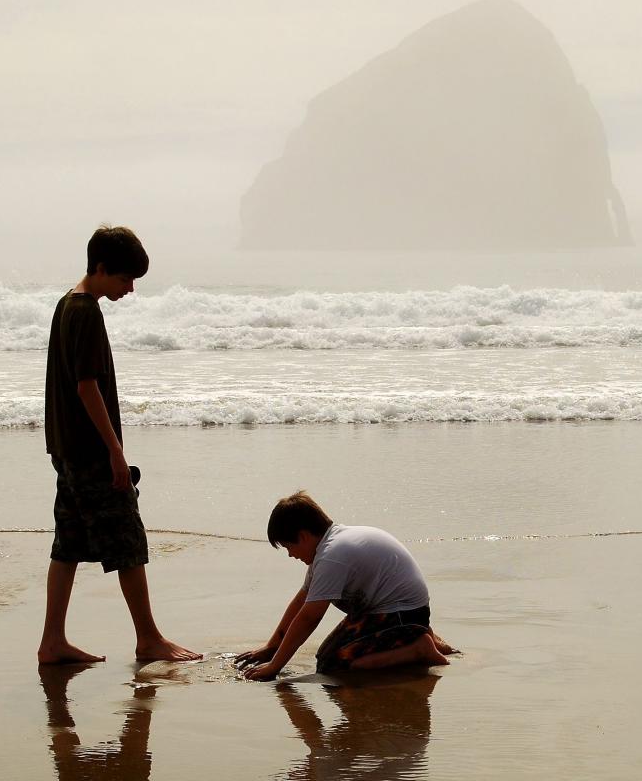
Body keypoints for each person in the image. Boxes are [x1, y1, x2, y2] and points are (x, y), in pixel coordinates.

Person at [37, 225, 201, 665]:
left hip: (66, 449)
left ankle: (52, 641)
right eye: (126, 280)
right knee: (127, 540)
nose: (130, 290)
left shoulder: (64, 304)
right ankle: (148, 639)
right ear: (102, 268)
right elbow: (86, 386)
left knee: (68, 544)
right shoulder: (85, 311)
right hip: (89, 451)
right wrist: (115, 450)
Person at [236, 492, 455, 681]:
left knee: (334, 664)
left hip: (400, 613)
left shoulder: (332, 556)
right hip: (399, 610)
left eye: (288, 547)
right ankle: (419, 632)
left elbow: (309, 618)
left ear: (303, 536)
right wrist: (271, 647)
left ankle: (417, 649)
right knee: (326, 656)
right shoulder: (328, 549)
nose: (291, 555)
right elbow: (301, 601)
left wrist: (275, 666)